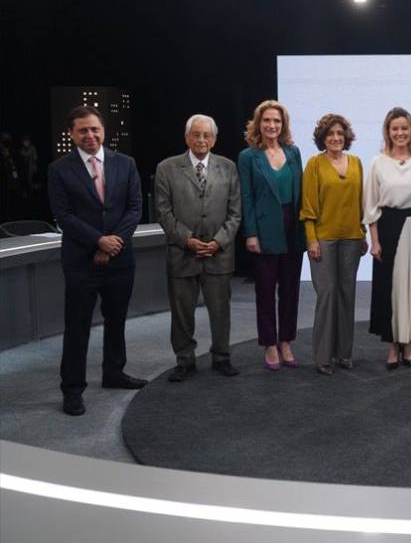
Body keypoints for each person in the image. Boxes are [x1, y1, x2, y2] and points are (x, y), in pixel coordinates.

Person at [47, 105, 147, 416]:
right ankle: (72, 389)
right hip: (81, 261)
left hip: (120, 260)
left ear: (104, 131)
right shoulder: (59, 169)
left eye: (95, 129)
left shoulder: (125, 164)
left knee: (116, 321)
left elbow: (134, 209)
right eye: (82, 130)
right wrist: (98, 241)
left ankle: (114, 373)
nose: (90, 135)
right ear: (71, 134)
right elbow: (64, 215)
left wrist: (112, 244)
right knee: (77, 328)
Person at [154, 114, 242, 382]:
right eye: (196, 134)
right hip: (182, 253)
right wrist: (187, 239)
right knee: (182, 313)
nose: (201, 140)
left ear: (214, 139)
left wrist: (218, 242)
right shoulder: (167, 168)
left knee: (220, 311)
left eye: (207, 135)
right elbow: (163, 211)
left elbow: (235, 213)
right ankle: (185, 361)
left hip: (219, 254)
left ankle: (221, 357)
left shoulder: (228, 167)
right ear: (186, 137)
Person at [364, 107, 411, 369]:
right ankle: (392, 346)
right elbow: (371, 205)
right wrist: (374, 240)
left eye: (404, 128)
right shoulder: (377, 162)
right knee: (389, 289)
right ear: (388, 132)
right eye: (395, 128)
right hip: (387, 228)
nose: (400, 133)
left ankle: (408, 344)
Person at [238, 100, 306, 370]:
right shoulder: (248, 156)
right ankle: (269, 344)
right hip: (264, 231)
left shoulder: (293, 152)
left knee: (290, 291)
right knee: (266, 292)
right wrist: (251, 233)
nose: (271, 125)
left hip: (293, 229)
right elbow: (247, 197)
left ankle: (286, 340)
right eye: (266, 120)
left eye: (277, 121)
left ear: (283, 124)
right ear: (258, 123)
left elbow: (300, 193)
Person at [300, 114, 367, 376]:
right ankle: (323, 356)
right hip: (323, 240)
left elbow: (361, 202)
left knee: (346, 295)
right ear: (322, 138)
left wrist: (362, 233)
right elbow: (307, 207)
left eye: (340, 133)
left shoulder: (357, 163)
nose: (336, 138)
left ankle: (343, 354)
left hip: (352, 239)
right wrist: (311, 239)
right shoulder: (314, 164)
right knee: (327, 295)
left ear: (346, 136)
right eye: (330, 134)